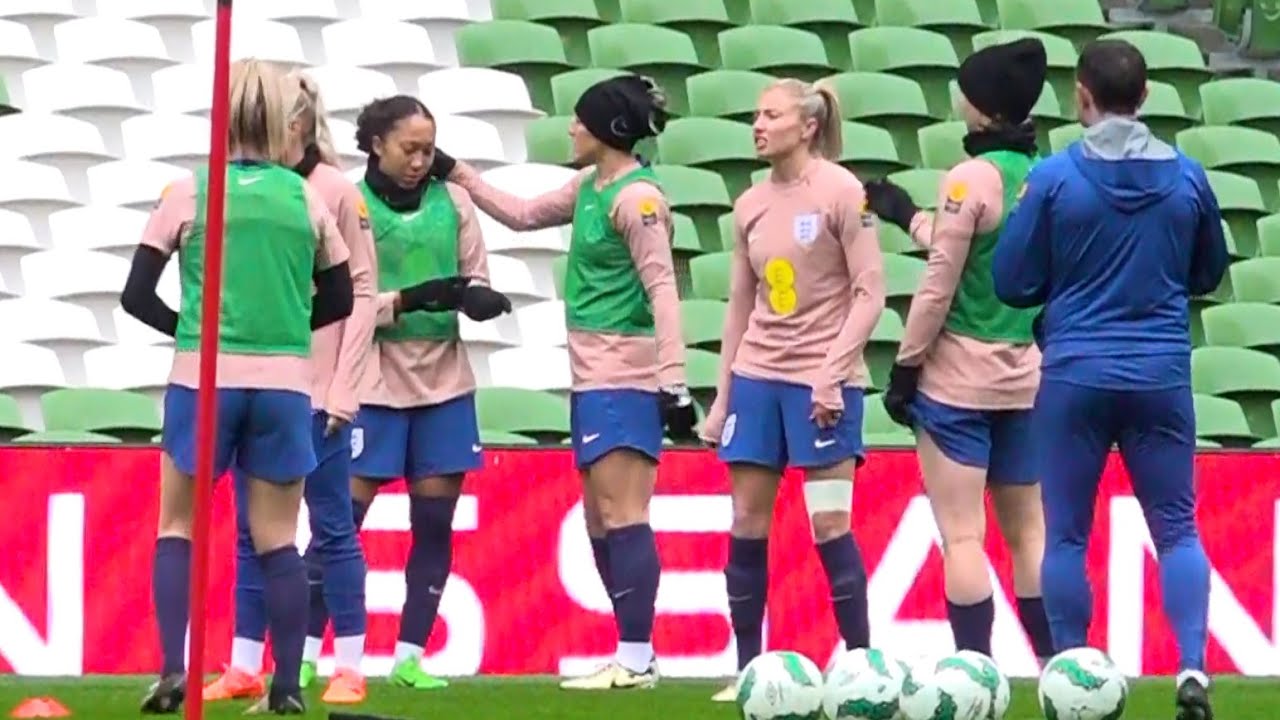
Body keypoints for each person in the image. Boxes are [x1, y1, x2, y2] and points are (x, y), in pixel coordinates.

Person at [992, 38, 1226, 720]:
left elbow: (1011, 280)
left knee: (1065, 532)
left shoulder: (1058, 178)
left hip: (1075, 374)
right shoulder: (1187, 177)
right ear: (1146, 95)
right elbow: (1208, 272)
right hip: (1159, 372)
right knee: (1178, 528)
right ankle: (1192, 669)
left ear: (1081, 97)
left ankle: (1072, 674)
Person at [438, 74, 696, 690]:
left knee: (622, 512)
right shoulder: (589, 185)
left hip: (624, 372)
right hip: (591, 373)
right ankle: (633, 651)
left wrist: (674, 382)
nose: (571, 127)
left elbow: (663, 288)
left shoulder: (637, 201)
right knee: (599, 519)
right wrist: (459, 172)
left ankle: (635, 656)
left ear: (608, 129)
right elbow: (525, 216)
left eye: (580, 120)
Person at [122, 58, 356, 715]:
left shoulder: (189, 192)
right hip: (283, 386)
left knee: (177, 524)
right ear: (286, 122)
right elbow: (339, 294)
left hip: (204, 381)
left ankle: (173, 670)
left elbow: (136, 294)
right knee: (278, 539)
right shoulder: (303, 196)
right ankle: (285, 688)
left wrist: (189, 333)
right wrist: (286, 328)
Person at [201, 71, 409, 706]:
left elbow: (363, 293)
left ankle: (349, 662)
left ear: (293, 124)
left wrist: (345, 389)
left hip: (319, 393)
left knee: (332, 526)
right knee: (252, 529)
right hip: (269, 383)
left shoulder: (334, 191)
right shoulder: (258, 189)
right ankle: (244, 662)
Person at [861, 39, 1056, 664]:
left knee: (964, 535)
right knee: (1030, 534)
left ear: (982, 108)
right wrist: (908, 216)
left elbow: (940, 282)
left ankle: (976, 670)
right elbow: (982, 249)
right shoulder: (1044, 176)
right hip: (1026, 375)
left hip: (957, 382)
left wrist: (906, 367)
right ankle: (1061, 669)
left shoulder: (969, 177)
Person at [699, 78, 885, 703]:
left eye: (770, 115)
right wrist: (722, 398)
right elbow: (738, 307)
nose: (757, 124)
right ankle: (750, 670)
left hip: (821, 384)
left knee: (830, 522)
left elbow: (870, 293)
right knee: (747, 521)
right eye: (755, 114)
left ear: (806, 127)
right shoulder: (749, 202)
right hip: (757, 379)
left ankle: (862, 667)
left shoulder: (841, 191)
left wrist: (833, 371)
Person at [321, 94, 512, 691]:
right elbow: (334, 305)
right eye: (410, 149)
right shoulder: (349, 205)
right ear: (376, 145)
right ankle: (304, 651)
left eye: (429, 150)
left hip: (444, 383)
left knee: (435, 524)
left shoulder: (453, 201)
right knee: (340, 525)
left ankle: (409, 656)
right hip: (372, 383)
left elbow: (473, 274)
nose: (421, 161)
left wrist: (477, 298)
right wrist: (407, 299)